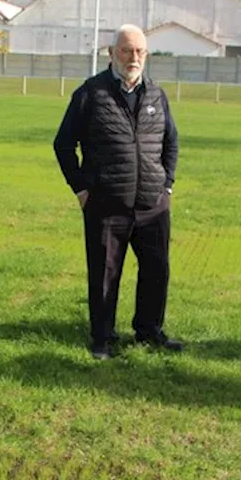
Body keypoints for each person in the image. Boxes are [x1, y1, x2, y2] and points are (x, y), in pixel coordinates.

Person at [53, 24, 182, 360]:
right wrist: (82, 190)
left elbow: (171, 142)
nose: (133, 57)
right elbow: (64, 144)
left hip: (152, 205)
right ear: (111, 53)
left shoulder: (156, 94)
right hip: (106, 203)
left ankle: (149, 331)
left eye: (139, 51)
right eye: (126, 50)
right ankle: (102, 338)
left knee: (157, 270)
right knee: (105, 273)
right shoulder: (90, 94)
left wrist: (166, 185)